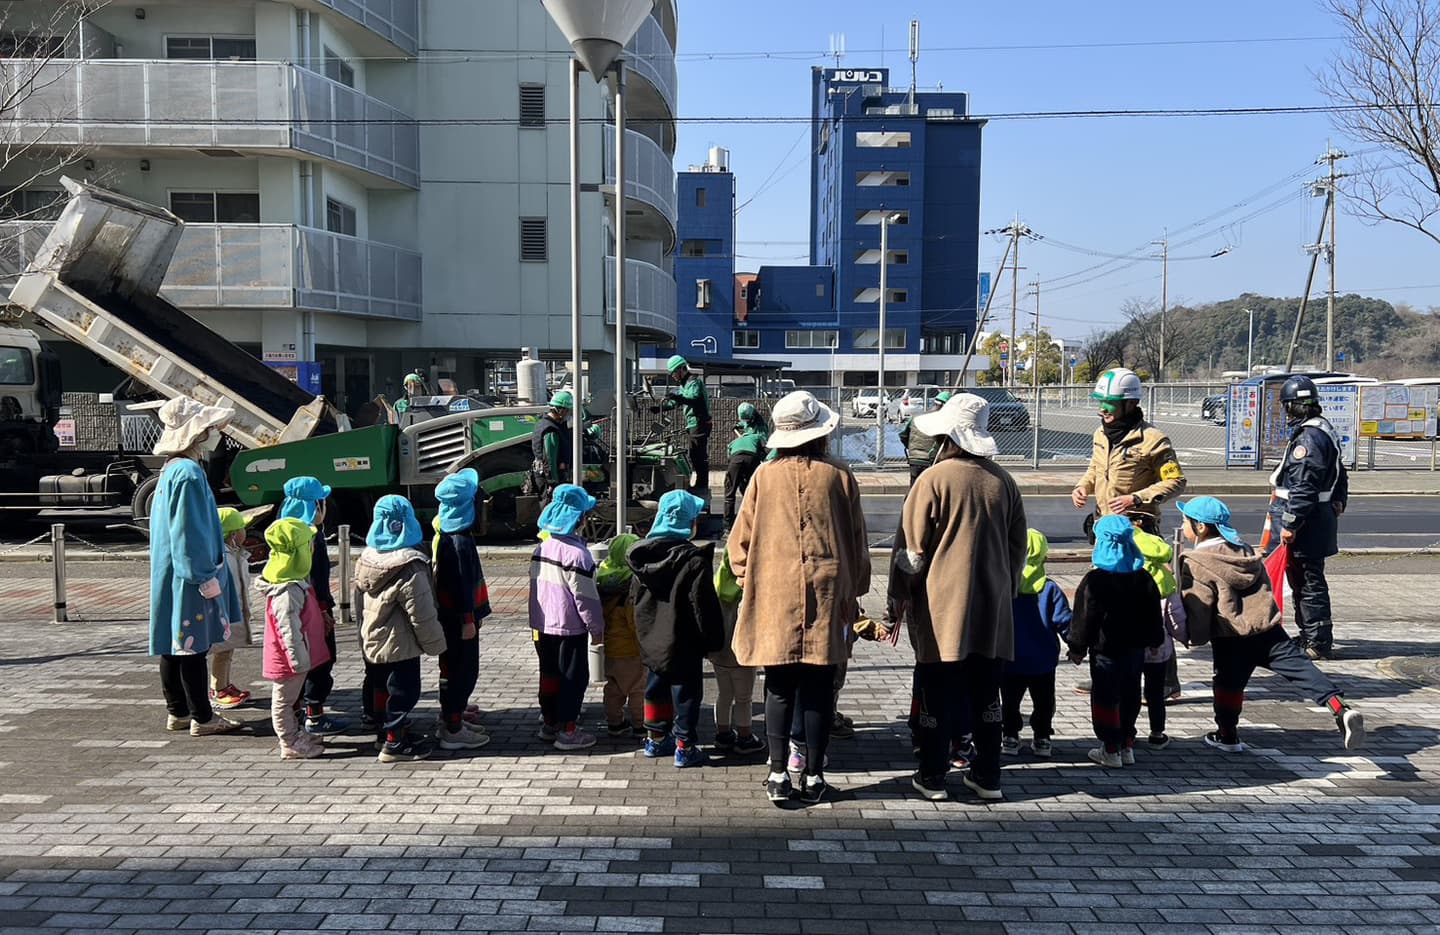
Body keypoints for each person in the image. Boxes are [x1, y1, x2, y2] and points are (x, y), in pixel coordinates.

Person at [730, 390, 868, 806]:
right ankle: (813, 775)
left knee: (778, 687)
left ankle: (777, 774)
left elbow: (740, 542)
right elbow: (858, 543)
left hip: (774, 595)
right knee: (819, 688)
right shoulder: (839, 475)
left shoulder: (763, 476)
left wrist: (749, 579)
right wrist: (854, 590)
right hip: (829, 594)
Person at [889, 393, 1027, 802]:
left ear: (947, 437)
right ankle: (988, 776)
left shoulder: (933, 480)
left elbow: (911, 552)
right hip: (992, 607)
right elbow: (1018, 548)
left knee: (936, 691)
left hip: (942, 608)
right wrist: (1005, 587)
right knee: (987, 694)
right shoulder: (1003, 481)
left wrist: (897, 598)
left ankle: (933, 776)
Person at [1176, 496, 1365, 752]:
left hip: (1231, 636)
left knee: (1228, 686)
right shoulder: (1245, 551)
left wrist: (1192, 636)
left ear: (1200, 527)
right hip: (1268, 629)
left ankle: (1227, 736)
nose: (1183, 526)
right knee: (1302, 670)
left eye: (1185, 521)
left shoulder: (1197, 561)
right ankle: (1340, 709)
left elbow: (1200, 607)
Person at [1069, 367, 1186, 699]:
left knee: (1149, 604)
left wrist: (1138, 498)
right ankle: (1105, 670)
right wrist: (1082, 486)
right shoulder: (1100, 434)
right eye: (1100, 402)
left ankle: (1165, 679)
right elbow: (1095, 468)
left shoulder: (1153, 440)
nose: (1102, 409)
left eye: (1109, 403)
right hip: (1106, 533)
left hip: (1139, 533)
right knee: (1104, 603)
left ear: (1130, 403)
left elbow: (1176, 481)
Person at [148, 396, 243, 737]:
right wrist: (202, 575)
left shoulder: (170, 468)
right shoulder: (189, 473)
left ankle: (178, 711)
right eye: (208, 428)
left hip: (169, 571)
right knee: (193, 645)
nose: (212, 433)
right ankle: (202, 717)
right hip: (189, 575)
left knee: (173, 643)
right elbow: (189, 531)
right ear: (197, 433)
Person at [629, 489, 726, 767]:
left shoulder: (641, 556)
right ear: (689, 523)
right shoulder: (694, 560)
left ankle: (656, 738)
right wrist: (713, 641)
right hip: (685, 640)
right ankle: (684, 745)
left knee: (655, 687)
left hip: (651, 636)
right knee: (686, 693)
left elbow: (634, 598)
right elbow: (703, 605)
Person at [353, 495, 446, 763]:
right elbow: (422, 613)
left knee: (382, 687)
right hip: (400, 643)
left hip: (374, 638)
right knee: (404, 691)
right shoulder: (410, 564)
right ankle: (395, 744)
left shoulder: (367, 558)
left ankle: (385, 733)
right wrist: (436, 644)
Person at [1067, 515, 1165, 769]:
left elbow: (1084, 618)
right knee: (1130, 693)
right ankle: (1127, 744)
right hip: (1135, 649)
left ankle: (1110, 747)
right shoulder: (1143, 577)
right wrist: (1155, 640)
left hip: (1105, 650)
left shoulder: (1095, 580)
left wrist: (1076, 647)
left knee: (1105, 695)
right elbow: (1154, 614)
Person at [1268, 375, 1349, 660]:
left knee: (1307, 581)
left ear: (1294, 406)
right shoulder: (1322, 429)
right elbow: (1339, 472)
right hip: (1317, 515)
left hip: (1306, 520)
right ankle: (1309, 634)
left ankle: (1316, 639)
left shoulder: (1309, 437)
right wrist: (1339, 500)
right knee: (1304, 578)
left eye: (1287, 407)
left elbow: (1304, 484)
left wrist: (1291, 522)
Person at [529, 483, 605, 751]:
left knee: (549, 675)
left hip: (543, 624)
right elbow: (585, 599)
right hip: (570, 627)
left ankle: (549, 723)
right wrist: (597, 628)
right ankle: (568, 730)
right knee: (573, 678)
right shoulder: (578, 555)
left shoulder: (543, 548)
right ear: (580, 519)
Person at [431, 468, 492, 752]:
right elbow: (461, 586)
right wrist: (468, 619)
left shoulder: (450, 534)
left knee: (456, 668)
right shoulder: (459, 542)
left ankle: (452, 717)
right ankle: (453, 728)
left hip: (454, 618)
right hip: (459, 620)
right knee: (462, 671)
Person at [258, 517, 330, 760]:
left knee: (288, 700)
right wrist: (298, 661)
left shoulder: (295, 582)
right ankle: (289, 742)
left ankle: (295, 734)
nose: (312, 548)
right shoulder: (287, 591)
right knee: (284, 701)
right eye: (308, 544)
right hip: (290, 660)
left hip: (297, 656)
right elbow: (288, 630)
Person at [279, 476, 343, 736]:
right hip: (313, 607)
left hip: (287, 606)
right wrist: (325, 610)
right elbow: (318, 579)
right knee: (321, 659)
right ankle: (315, 715)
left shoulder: (282, 531)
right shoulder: (311, 537)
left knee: (296, 658)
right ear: (314, 506)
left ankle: (295, 711)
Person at [1000, 530, 1072, 759]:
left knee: (1010, 701)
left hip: (1010, 658)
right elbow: (1064, 621)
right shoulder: (1049, 589)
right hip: (1043, 660)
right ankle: (1042, 737)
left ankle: (1010, 736)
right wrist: (1076, 646)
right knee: (1043, 701)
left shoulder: (1004, 587)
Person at [710, 547, 765, 755]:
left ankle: (722, 734)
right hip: (742, 653)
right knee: (744, 698)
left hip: (719, 653)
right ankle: (745, 737)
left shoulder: (716, 585)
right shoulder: (749, 588)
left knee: (724, 694)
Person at [1134, 527, 1181, 749]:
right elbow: (1176, 616)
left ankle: (1128, 732)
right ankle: (1157, 733)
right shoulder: (1165, 580)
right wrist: (1184, 636)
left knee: (1130, 690)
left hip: (1131, 645)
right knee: (1155, 692)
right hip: (1159, 647)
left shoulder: (1127, 575)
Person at [596, 533, 645, 738]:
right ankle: (640, 725)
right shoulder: (630, 585)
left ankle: (614, 723)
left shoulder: (603, 579)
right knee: (637, 688)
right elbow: (634, 621)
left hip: (612, 647)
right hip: (632, 649)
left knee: (614, 688)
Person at [210, 507, 254, 710]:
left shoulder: (236, 553)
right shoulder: (221, 556)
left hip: (235, 611)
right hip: (224, 613)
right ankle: (218, 689)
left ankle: (224, 684)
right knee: (222, 650)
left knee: (227, 651)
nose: (245, 532)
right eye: (242, 528)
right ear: (233, 533)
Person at [662, 355, 712, 492]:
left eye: (673, 373)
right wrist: (661, 408)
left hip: (699, 422)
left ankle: (702, 485)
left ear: (681, 369)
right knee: (694, 455)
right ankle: (700, 484)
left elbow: (692, 399)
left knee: (698, 455)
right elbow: (676, 402)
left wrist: (676, 397)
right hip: (693, 424)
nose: (673, 376)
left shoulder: (693, 382)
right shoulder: (684, 384)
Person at [723, 402, 767, 528]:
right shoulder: (756, 437)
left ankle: (727, 525)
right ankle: (752, 520)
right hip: (752, 459)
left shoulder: (734, 442)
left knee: (730, 493)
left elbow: (729, 457)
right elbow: (765, 450)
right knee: (751, 490)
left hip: (735, 460)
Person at [898, 391, 952, 485]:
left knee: (914, 488)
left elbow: (903, 435)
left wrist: (911, 448)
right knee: (930, 489)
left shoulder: (916, 417)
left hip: (914, 459)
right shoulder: (945, 422)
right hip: (933, 461)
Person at [530, 389, 575, 500]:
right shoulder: (551, 430)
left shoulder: (544, 424)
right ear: (559, 410)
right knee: (551, 507)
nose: (568, 414)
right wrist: (553, 483)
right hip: (549, 480)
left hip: (544, 477)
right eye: (567, 411)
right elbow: (550, 460)